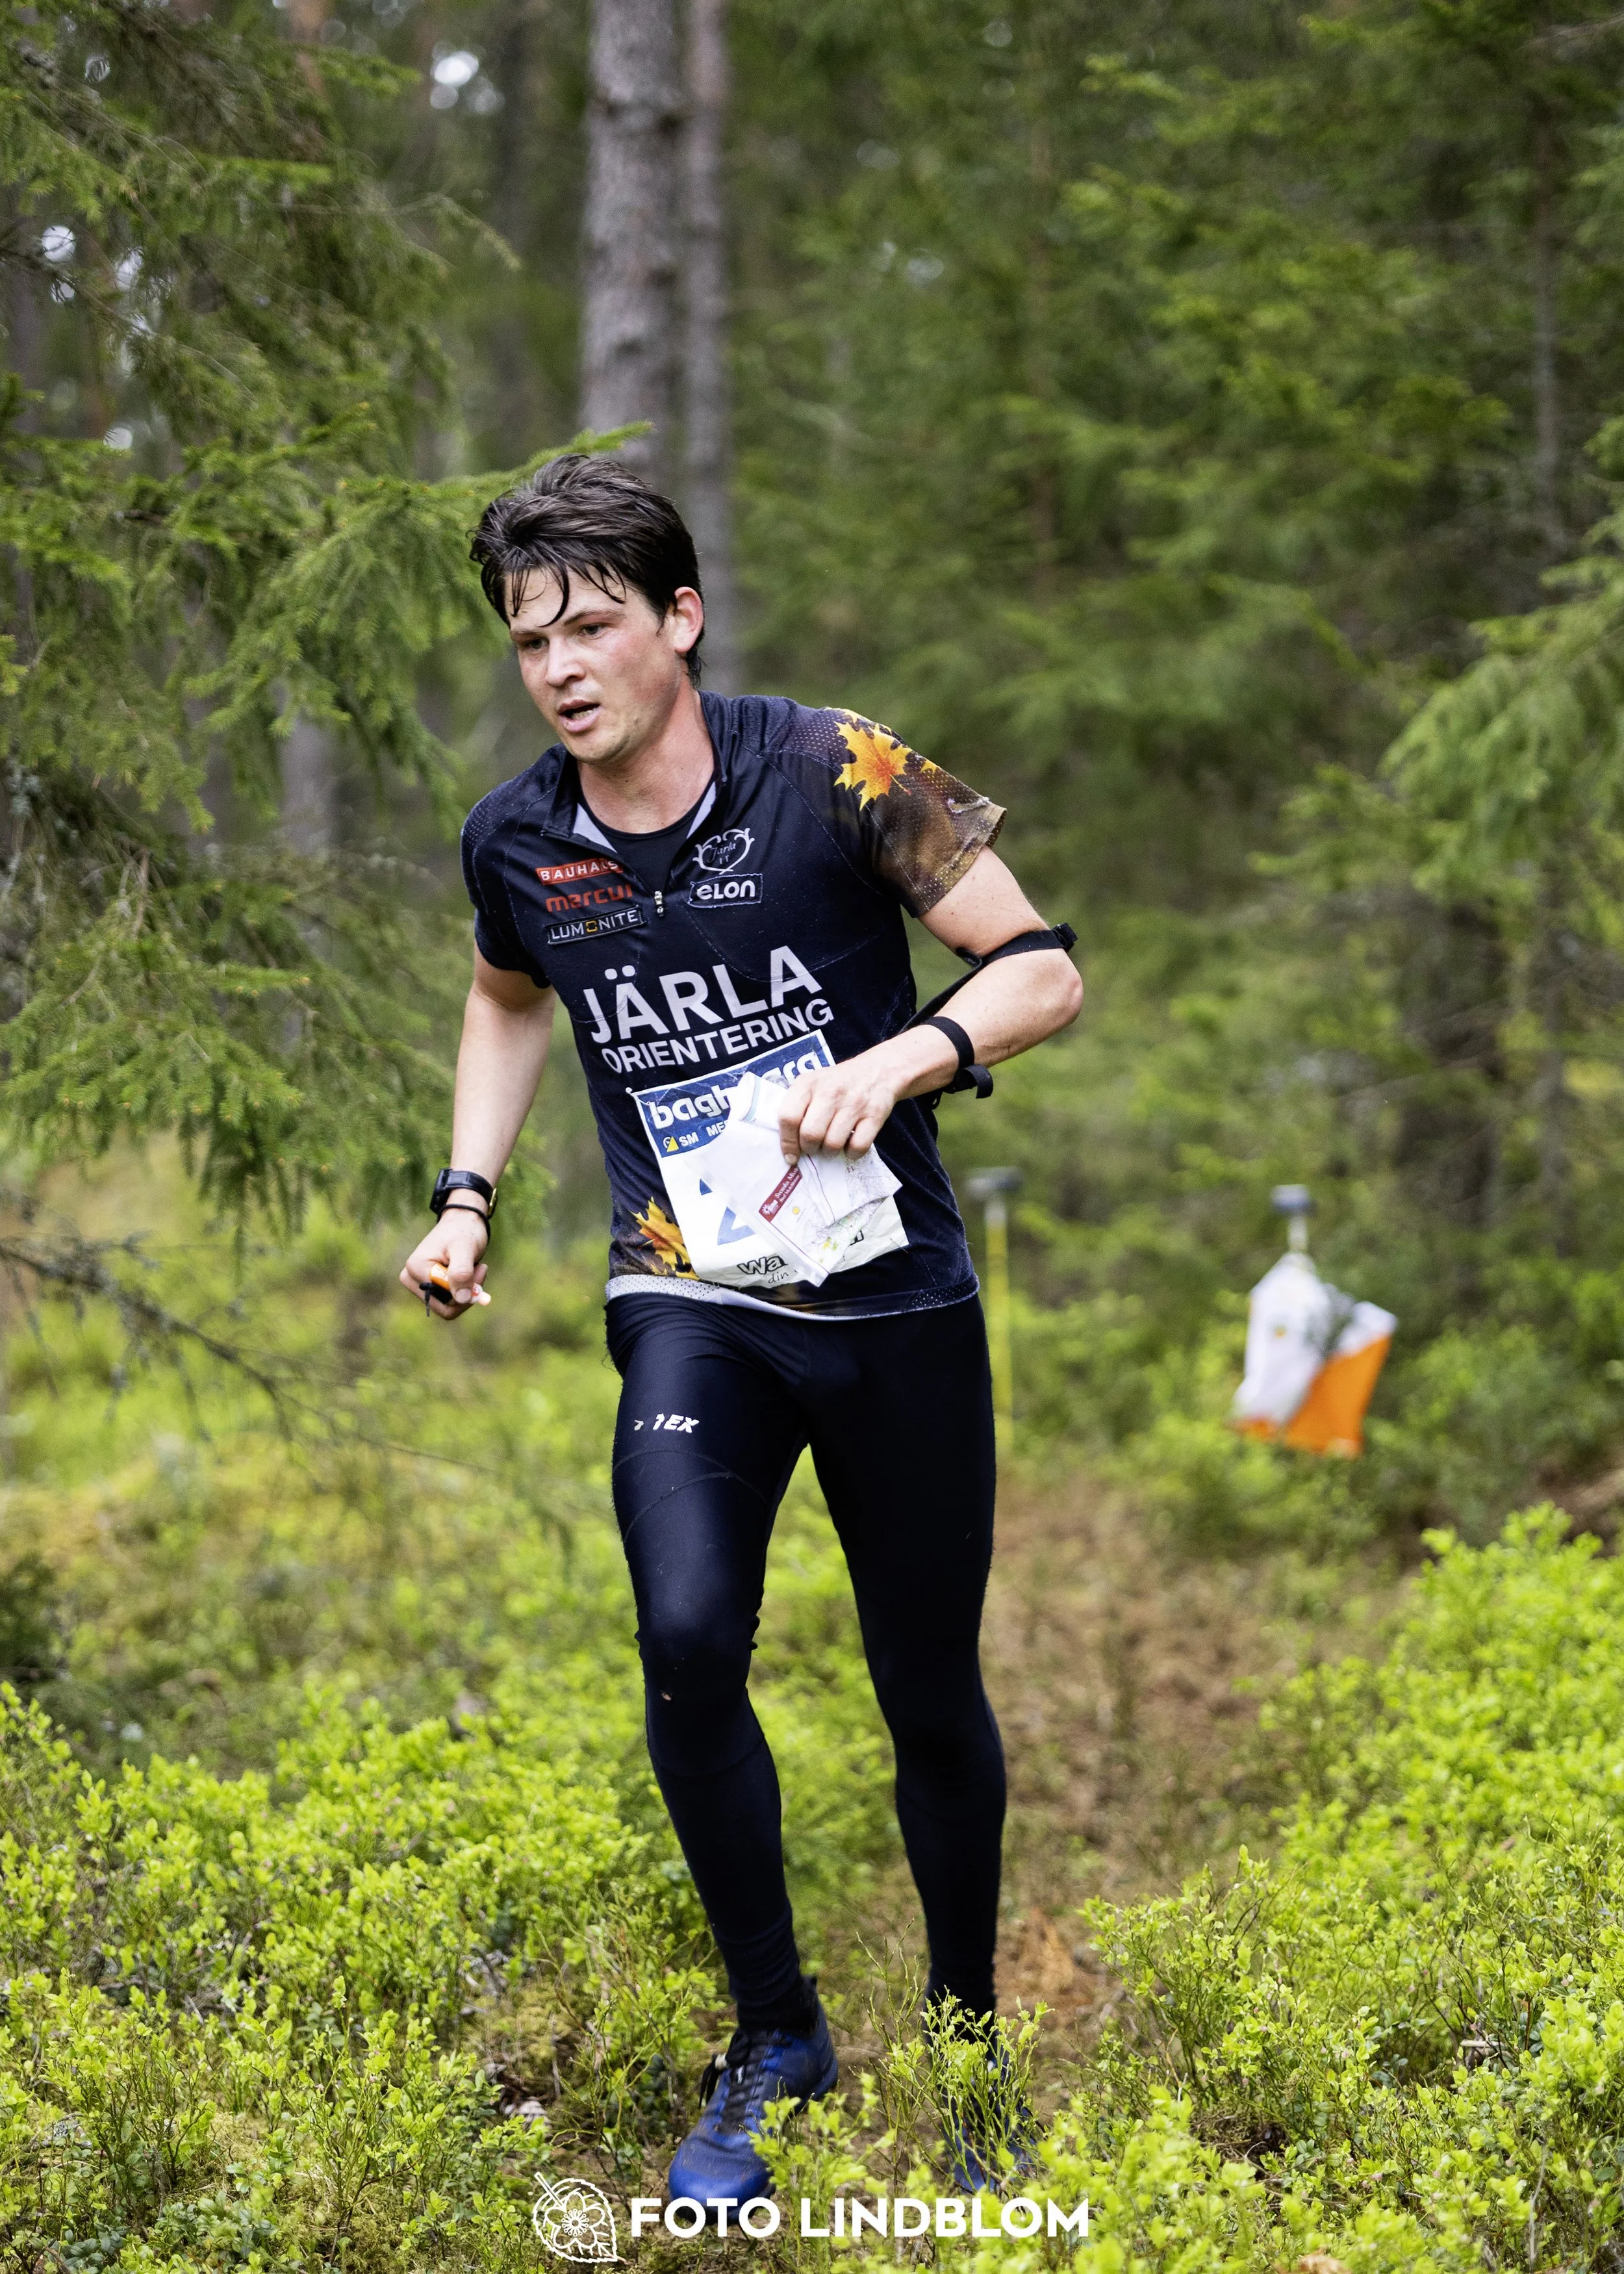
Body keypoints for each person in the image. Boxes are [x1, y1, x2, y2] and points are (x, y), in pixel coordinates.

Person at [399, 454, 1082, 2208]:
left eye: (594, 626)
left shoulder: (833, 767)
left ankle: (962, 2038)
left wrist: (910, 1054)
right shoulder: (519, 840)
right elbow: (502, 995)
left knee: (925, 1688)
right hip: (691, 1293)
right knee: (689, 1634)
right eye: (528, 639)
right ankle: (776, 2030)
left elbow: (1040, 966)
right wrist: (466, 1192)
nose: (559, 668)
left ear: (677, 619)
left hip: (898, 1295)